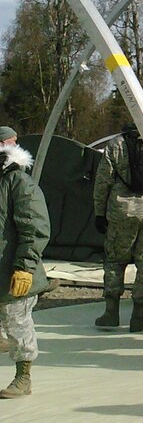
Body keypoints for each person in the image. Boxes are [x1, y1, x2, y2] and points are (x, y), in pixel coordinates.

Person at [93, 122, 143, 332]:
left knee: (115, 261)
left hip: (121, 213)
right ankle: (137, 317)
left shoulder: (116, 145)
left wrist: (99, 212)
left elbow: (102, 181)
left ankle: (111, 313)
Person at [0, 126, 50, 399]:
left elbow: (34, 227)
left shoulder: (18, 181)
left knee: (17, 323)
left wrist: (25, 266)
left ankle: (23, 377)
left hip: (12, 269)